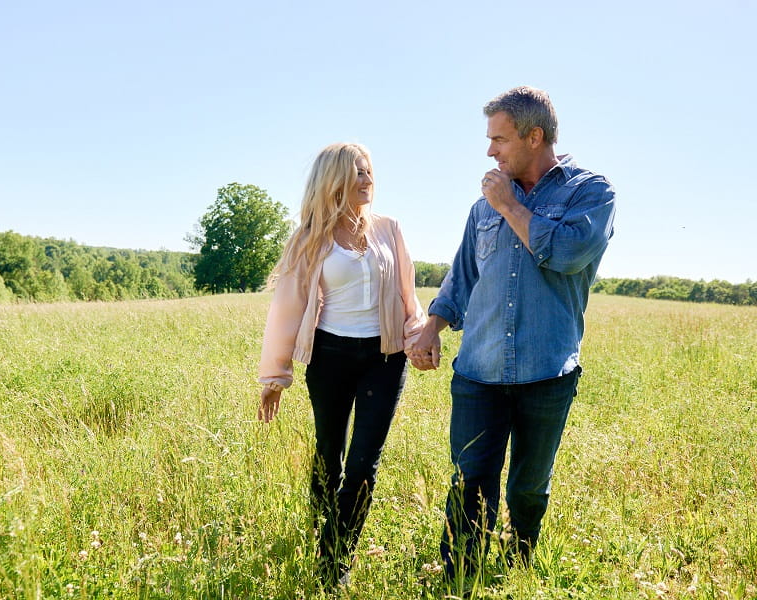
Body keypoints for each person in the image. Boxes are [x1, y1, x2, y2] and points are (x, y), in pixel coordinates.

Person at [408, 86, 616, 579]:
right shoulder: (483, 207)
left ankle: (518, 563)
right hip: (478, 370)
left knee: (528, 483)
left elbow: (566, 254)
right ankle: (461, 571)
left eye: (499, 139)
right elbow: (463, 277)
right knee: (470, 477)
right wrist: (432, 326)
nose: (489, 151)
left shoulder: (589, 192)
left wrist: (508, 207)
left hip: (547, 370)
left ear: (534, 135)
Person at [257, 142, 426, 589]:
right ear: (334, 181)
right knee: (328, 454)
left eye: (369, 172)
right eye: (358, 173)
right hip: (329, 358)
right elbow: (287, 308)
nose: (367, 180)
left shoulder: (389, 230)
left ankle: (335, 561)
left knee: (363, 464)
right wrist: (275, 376)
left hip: (383, 359)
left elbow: (410, 299)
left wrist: (419, 338)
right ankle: (322, 526)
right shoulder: (310, 238)